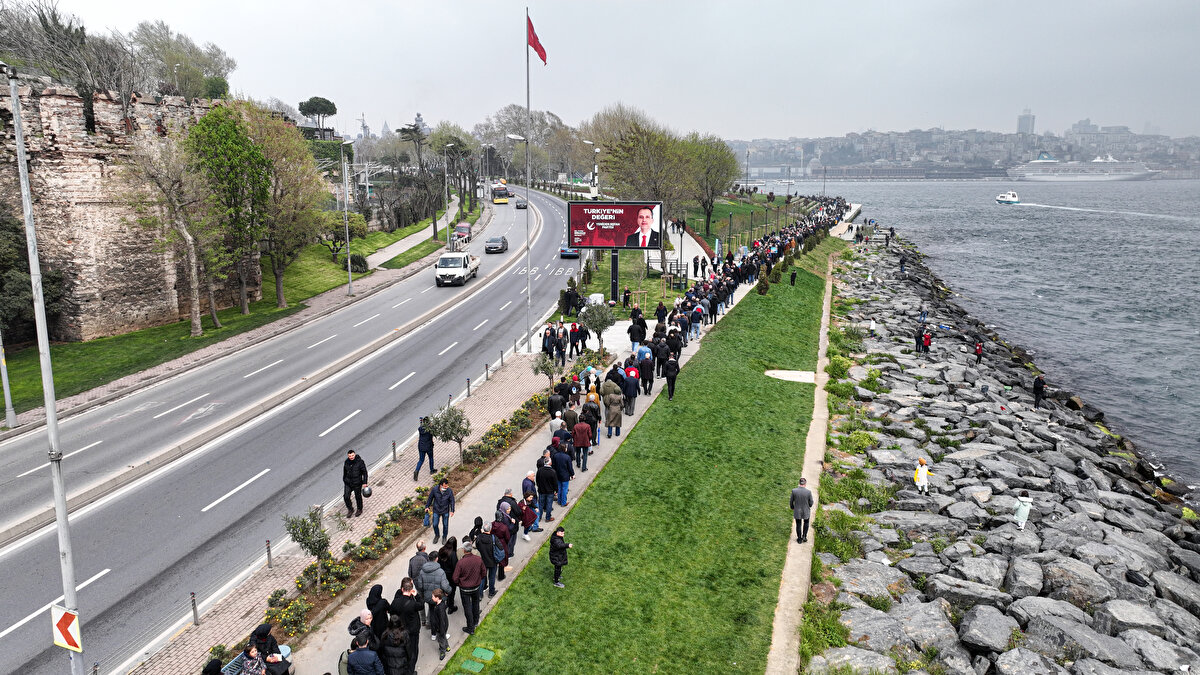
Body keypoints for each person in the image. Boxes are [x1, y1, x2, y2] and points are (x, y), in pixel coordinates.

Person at [415, 549, 451, 641]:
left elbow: (420, 586)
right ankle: (443, 634)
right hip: (439, 597)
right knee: (442, 616)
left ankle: (433, 634)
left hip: (429, 597)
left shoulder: (422, 571)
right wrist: (449, 591)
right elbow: (445, 586)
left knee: (432, 614)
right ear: (437, 558)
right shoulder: (441, 572)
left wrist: (424, 594)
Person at [453, 541, 485, 635]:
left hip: (464, 589)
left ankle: (470, 628)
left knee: (467, 607)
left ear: (464, 550)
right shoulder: (478, 559)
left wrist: (460, 583)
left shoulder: (461, 563)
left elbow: (455, 578)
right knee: (476, 604)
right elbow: (483, 572)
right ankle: (476, 621)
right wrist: (478, 579)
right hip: (476, 587)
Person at [390, 579, 421, 665]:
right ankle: (411, 667)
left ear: (402, 589)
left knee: (404, 648)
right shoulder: (413, 604)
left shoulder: (395, 601)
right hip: (413, 629)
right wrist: (417, 595)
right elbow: (421, 605)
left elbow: (391, 612)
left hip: (401, 629)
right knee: (413, 649)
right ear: (411, 590)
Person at [425, 478, 455, 545]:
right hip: (436, 509)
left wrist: (452, 510)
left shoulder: (449, 491)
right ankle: (437, 535)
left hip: (445, 510)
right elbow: (430, 498)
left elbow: (452, 501)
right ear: (441, 485)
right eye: (445, 486)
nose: (446, 487)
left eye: (447, 486)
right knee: (435, 524)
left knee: (445, 525)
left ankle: (444, 537)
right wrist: (427, 506)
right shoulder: (435, 489)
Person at [406, 543, 429, 626]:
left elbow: (410, 574)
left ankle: (423, 620)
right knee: (430, 601)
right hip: (427, 585)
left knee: (420, 601)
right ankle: (429, 621)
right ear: (424, 548)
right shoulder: (427, 558)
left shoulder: (412, 560)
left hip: (418, 585)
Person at [475, 522, 499, 598]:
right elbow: (500, 548)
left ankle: (480, 595)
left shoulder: (479, 538)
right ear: (490, 529)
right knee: (491, 577)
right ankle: (491, 592)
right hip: (492, 561)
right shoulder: (493, 538)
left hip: (482, 561)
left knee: (482, 578)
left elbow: (476, 546)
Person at [343, 449, 369, 518]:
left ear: (354, 454)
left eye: (352, 455)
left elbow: (365, 473)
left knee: (358, 496)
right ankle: (350, 509)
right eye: (350, 456)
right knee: (346, 496)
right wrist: (345, 480)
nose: (351, 457)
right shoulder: (346, 462)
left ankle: (359, 509)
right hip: (348, 483)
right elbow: (345, 472)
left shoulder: (360, 462)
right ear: (348, 456)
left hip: (357, 482)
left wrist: (365, 482)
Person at [438, 537, 459, 615]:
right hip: (451, 575)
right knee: (452, 591)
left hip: (443, 574)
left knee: (444, 589)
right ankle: (451, 607)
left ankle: (446, 602)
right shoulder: (453, 554)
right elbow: (455, 567)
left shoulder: (441, 550)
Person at [790, 477, 814, 543]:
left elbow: (791, 501)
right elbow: (811, 502)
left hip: (797, 511)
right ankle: (804, 536)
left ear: (799, 483)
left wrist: (792, 507)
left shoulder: (794, 491)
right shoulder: (808, 492)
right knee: (806, 523)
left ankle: (799, 539)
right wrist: (809, 506)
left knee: (798, 524)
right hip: (806, 510)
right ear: (805, 484)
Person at [552, 439, 575, 506]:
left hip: (557, 475)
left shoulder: (555, 455)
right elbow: (570, 467)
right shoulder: (567, 457)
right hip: (565, 475)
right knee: (564, 489)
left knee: (559, 488)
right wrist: (572, 474)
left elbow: (553, 465)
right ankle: (563, 502)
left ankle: (559, 501)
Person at [429, 588, 450, 661]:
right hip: (444, 625)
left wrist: (441, 629)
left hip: (441, 627)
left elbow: (441, 620)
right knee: (443, 637)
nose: (432, 598)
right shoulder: (442, 603)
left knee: (440, 639)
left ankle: (442, 651)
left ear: (437, 598)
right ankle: (447, 646)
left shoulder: (439, 608)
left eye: (433, 596)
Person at [536, 456, 559, 522]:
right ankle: (548, 518)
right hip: (550, 491)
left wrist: (539, 486)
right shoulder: (552, 472)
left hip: (541, 490)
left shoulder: (540, 470)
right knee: (549, 504)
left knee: (540, 504)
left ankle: (539, 517)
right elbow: (555, 483)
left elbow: (537, 480)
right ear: (550, 463)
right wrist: (556, 490)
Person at [414, 417, 435, 482]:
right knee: (431, 458)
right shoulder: (430, 429)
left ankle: (416, 470)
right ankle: (432, 470)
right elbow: (434, 431)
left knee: (421, 460)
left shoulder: (420, 429)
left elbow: (420, 427)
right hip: (428, 446)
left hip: (421, 446)